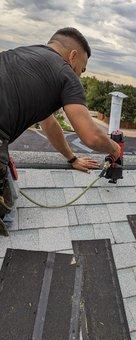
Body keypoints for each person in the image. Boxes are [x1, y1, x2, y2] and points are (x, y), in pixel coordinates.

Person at [0, 27, 121, 234]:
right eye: (81, 70)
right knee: (7, 216)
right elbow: (91, 136)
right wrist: (115, 148)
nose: (79, 77)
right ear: (73, 56)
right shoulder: (65, 74)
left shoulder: (18, 54)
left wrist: (72, 159)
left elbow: (49, 123)